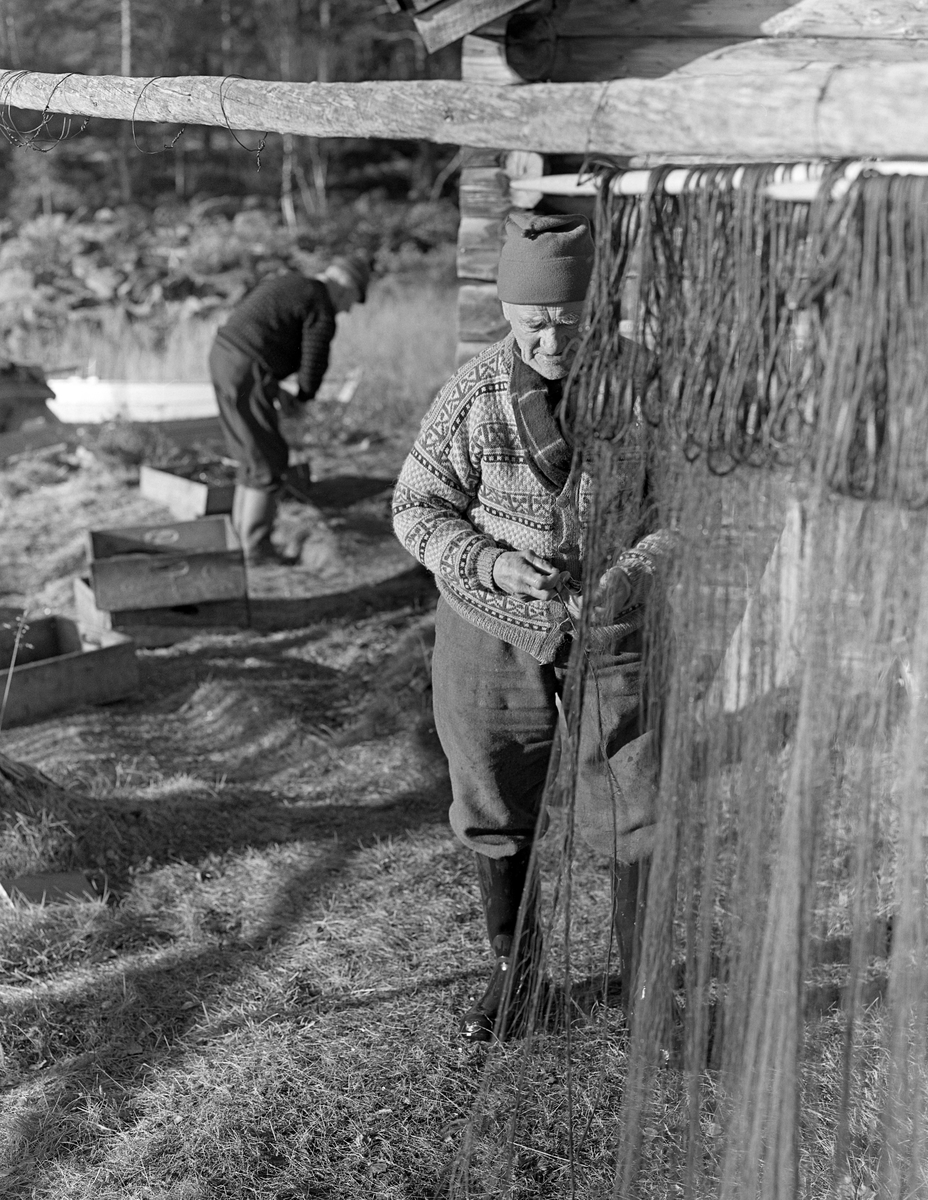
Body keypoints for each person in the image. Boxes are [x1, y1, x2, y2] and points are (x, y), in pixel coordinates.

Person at [392, 212, 676, 1041]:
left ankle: (649, 986)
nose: (552, 341)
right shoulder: (474, 396)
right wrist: (492, 563)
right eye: (533, 324)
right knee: (491, 793)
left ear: (599, 311)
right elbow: (415, 507)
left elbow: (689, 508)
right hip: (491, 625)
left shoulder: (644, 389)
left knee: (634, 799)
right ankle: (515, 980)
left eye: (569, 321)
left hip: (614, 628)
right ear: (509, 317)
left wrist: (626, 574)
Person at [209, 255, 370, 564]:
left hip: (224, 358)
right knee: (268, 463)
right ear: (345, 287)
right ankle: (256, 551)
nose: (348, 308)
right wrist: (304, 397)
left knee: (251, 458)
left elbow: (262, 329)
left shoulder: (295, 283)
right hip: (245, 369)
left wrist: (275, 387)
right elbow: (314, 359)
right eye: (353, 299)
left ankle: (241, 545)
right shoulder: (321, 303)